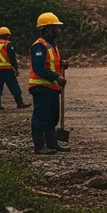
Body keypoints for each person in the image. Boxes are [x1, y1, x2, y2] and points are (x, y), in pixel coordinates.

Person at [29, 12, 69, 154]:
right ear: (46, 29)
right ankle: (39, 146)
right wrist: (57, 77)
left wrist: (62, 64)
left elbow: (51, 63)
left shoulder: (52, 45)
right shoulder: (39, 46)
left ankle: (52, 143)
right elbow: (39, 68)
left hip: (52, 87)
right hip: (41, 87)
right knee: (40, 118)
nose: (57, 30)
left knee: (52, 117)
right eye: (54, 27)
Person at [0, 26, 29, 111]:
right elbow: (12, 57)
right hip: (7, 70)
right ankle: (20, 103)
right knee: (14, 86)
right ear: (7, 35)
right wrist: (16, 68)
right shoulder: (8, 44)